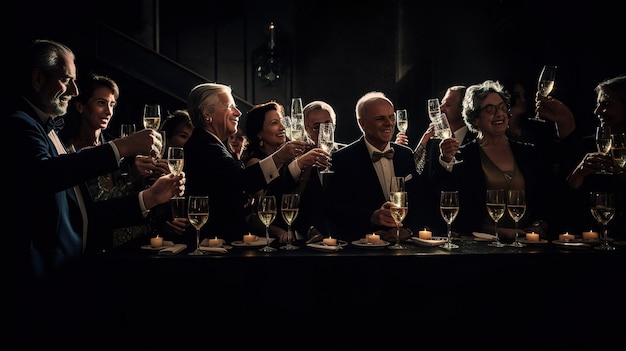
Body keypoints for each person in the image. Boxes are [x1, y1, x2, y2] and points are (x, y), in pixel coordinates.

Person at [6, 39, 185, 335]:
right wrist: (122, 147)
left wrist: (150, 198)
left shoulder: (49, 131)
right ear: (37, 79)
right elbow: (45, 175)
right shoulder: (20, 124)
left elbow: (85, 213)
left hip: (73, 272)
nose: (75, 91)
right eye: (67, 80)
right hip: (40, 279)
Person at [183, 83, 310, 244]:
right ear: (207, 113)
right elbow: (244, 181)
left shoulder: (212, 144)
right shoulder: (205, 146)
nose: (238, 112)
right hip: (212, 246)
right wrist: (281, 156)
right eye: (230, 106)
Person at [59, 72, 172, 249]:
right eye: (101, 103)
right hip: (96, 246)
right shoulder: (67, 152)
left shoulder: (121, 147)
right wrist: (133, 178)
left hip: (140, 242)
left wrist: (151, 179)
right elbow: (96, 209)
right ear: (80, 106)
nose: (109, 111)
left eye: (112, 104)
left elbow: (135, 201)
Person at [432, 80, 555, 241]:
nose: (499, 114)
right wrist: (502, 232)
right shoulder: (464, 156)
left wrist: (540, 224)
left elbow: (546, 197)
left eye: (503, 108)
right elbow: (458, 213)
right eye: (490, 109)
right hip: (482, 249)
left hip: (528, 245)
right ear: (475, 118)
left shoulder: (528, 152)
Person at [325, 91, 423, 243]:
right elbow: (335, 209)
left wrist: (408, 231)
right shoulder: (341, 159)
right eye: (380, 118)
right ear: (362, 123)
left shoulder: (406, 155)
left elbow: (420, 201)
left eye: (391, 117)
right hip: (362, 251)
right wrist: (372, 217)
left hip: (405, 250)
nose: (389, 123)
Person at [537, 75, 626, 239]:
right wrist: (578, 174)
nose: (597, 111)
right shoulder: (590, 149)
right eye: (597, 105)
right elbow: (559, 208)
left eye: (605, 105)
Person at [243, 101, 329, 243]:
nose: (282, 127)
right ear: (259, 133)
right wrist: (277, 231)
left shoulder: (292, 158)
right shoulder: (256, 164)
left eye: (283, 122)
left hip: (300, 235)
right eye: (274, 123)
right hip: (275, 239)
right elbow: (265, 208)